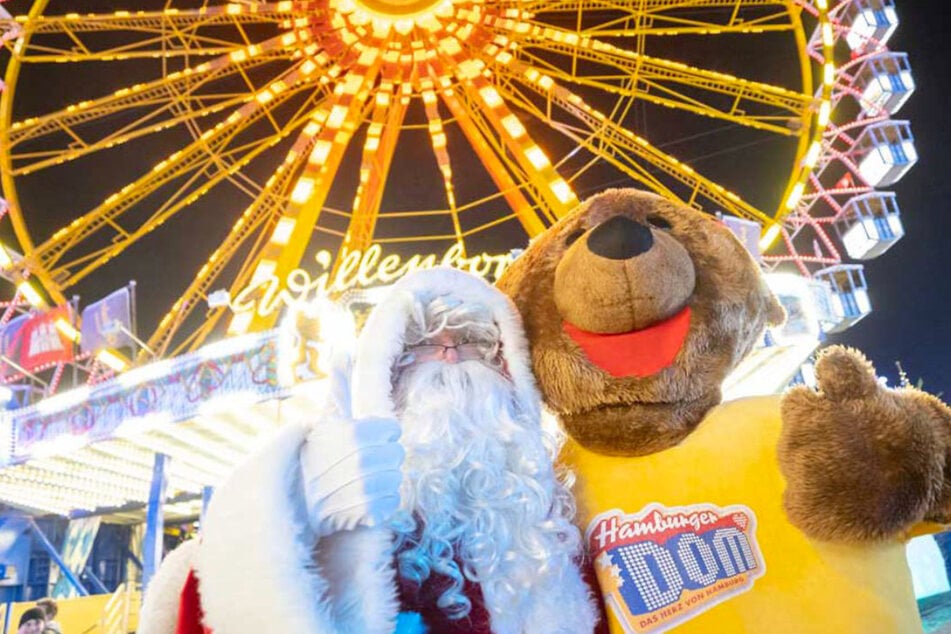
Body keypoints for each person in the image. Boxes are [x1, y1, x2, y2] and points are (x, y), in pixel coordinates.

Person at [140, 267, 597, 634]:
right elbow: (209, 600)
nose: (451, 356)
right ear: (383, 374)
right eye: (422, 344)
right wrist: (293, 517)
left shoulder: (547, 524)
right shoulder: (326, 493)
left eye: (475, 342)